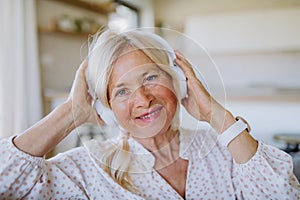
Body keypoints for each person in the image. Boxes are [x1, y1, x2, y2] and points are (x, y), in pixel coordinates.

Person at [0, 29, 299, 199]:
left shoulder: (223, 147)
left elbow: (284, 194)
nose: (142, 99)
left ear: (176, 80)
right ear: (106, 104)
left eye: (150, 78)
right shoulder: (84, 170)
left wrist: (215, 115)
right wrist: (71, 113)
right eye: (121, 91)